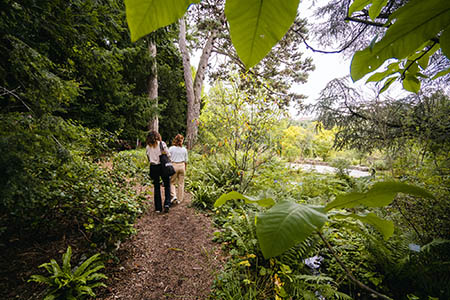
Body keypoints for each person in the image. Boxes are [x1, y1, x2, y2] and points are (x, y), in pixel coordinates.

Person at [146, 130, 171, 213]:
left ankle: (158, 208)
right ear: (157, 136)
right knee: (167, 185)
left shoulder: (148, 147)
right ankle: (167, 203)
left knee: (156, 187)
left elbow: (148, 158)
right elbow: (168, 154)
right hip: (162, 166)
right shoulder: (162, 144)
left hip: (153, 167)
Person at [168, 134, 188, 204]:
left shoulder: (171, 149)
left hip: (174, 165)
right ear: (182, 141)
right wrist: (185, 168)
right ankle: (180, 199)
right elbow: (186, 161)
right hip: (182, 165)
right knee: (181, 183)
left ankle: (174, 196)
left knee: (172, 182)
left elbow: (168, 158)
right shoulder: (184, 149)